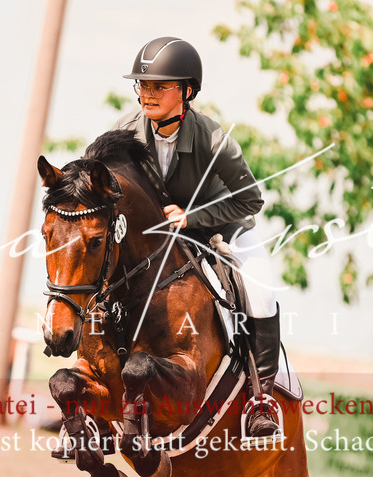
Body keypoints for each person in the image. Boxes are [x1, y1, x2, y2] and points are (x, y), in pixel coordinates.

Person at [113, 36, 281, 443]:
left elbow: (251, 200)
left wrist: (194, 218)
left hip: (221, 230)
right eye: (143, 85)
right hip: (158, 239)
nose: (147, 94)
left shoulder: (211, 137)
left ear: (186, 91)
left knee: (261, 290)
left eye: (159, 86)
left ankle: (261, 400)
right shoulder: (125, 130)